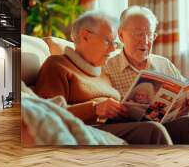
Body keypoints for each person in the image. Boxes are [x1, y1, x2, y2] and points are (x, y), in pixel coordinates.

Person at [34, 11, 173, 145]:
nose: (113, 49)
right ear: (85, 36)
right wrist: (94, 109)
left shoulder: (102, 73)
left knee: (187, 123)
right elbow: (45, 114)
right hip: (91, 129)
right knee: (153, 130)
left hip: (120, 124)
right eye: (108, 41)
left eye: (115, 43)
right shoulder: (57, 65)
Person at [104, 6, 189, 144]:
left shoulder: (163, 64)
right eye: (138, 34)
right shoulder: (107, 66)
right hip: (143, 132)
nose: (145, 41)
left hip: (177, 123)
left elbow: (187, 94)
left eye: (150, 35)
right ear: (121, 35)